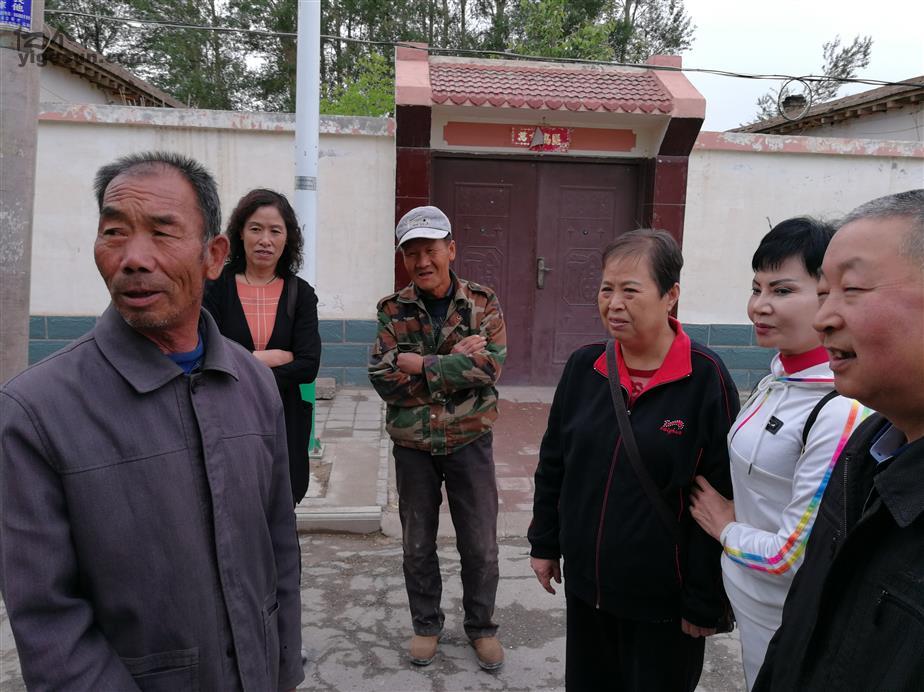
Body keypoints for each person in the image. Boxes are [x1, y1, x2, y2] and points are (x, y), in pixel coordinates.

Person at [0, 152, 303, 691]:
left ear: (213, 256)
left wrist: (283, 671)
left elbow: (279, 546)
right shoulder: (36, 413)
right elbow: (49, 620)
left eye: (163, 233)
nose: (134, 258)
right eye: (114, 232)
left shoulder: (254, 387)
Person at [529, 229, 740, 691]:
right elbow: (554, 463)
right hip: (588, 591)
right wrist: (544, 543)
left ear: (670, 295)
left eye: (630, 290)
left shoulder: (705, 378)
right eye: (607, 289)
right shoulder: (585, 367)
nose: (614, 303)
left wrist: (703, 599)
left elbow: (721, 494)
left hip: (665, 603)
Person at [688, 217, 870, 690]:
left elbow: (792, 556)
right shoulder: (776, 380)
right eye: (757, 288)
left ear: (829, 295)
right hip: (750, 603)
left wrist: (725, 527)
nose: (759, 306)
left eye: (782, 290)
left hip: (789, 617)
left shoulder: (838, 409)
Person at [753, 189, 924, 690]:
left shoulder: (837, 418)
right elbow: (801, 626)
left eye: (851, 289)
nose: (823, 318)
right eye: (824, 292)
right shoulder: (866, 451)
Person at [368, 205, 507, 671]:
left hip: (470, 441)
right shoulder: (392, 310)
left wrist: (422, 364)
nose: (422, 261)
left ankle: (482, 627)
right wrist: (454, 362)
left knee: (481, 544)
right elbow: (383, 379)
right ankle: (426, 625)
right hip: (413, 447)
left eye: (430, 250)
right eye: (411, 253)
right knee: (417, 543)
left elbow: (490, 368)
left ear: (451, 249)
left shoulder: (482, 303)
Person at [204, 188, 321, 505]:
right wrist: (266, 358)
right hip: (227, 417)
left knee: (281, 506)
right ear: (240, 233)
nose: (265, 240)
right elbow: (208, 355)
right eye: (256, 229)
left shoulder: (300, 294)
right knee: (231, 503)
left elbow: (308, 366)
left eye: (275, 231)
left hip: (283, 418)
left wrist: (239, 363)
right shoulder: (215, 288)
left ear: (288, 238)